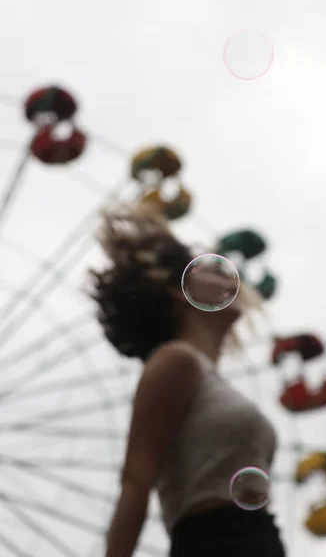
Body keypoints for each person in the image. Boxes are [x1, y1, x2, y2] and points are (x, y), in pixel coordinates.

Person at [89, 201, 286, 557]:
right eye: (211, 271)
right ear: (179, 291)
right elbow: (135, 483)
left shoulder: (207, 378)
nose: (230, 277)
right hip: (217, 543)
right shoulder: (174, 361)